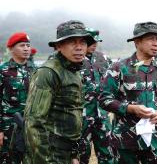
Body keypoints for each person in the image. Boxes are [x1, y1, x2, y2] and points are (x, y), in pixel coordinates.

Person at [99, 21, 157, 164]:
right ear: (137, 42)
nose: (156, 43)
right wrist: (130, 108)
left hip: (155, 142)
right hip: (126, 142)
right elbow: (104, 99)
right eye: (150, 39)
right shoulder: (119, 68)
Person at [24, 20, 94, 164]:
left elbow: (72, 112)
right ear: (59, 46)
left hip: (66, 152)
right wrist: (44, 160)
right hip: (49, 153)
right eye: (72, 42)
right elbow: (34, 123)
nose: (79, 47)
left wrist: (74, 154)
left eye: (83, 42)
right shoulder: (48, 72)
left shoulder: (73, 70)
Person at [78, 28, 114, 164]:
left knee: (108, 154)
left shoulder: (103, 58)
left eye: (96, 42)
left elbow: (112, 82)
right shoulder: (73, 59)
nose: (94, 44)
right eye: (91, 41)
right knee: (81, 154)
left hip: (102, 115)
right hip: (82, 116)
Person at [0, 32, 36, 164]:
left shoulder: (37, 70)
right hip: (10, 127)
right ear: (11, 49)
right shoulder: (3, 71)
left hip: (32, 126)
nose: (26, 48)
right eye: (22, 45)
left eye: (28, 45)